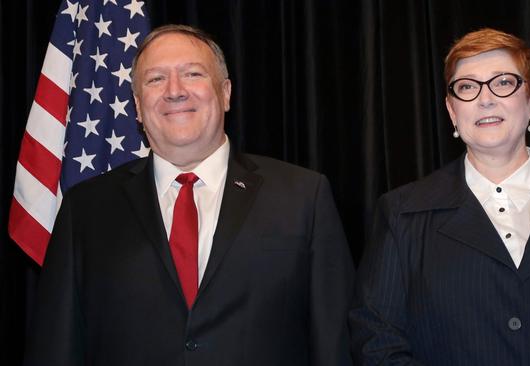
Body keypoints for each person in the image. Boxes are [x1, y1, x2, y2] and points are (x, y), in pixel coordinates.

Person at [23, 24, 354, 366]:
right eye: (155, 79)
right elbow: (55, 349)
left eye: (192, 74)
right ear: (137, 106)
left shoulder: (302, 197)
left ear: (225, 93)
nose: (175, 91)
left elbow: (335, 345)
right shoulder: (87, 209)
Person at [350, 28, 530, 365]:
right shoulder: (401, 213)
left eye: (503, 82)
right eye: (467, 87)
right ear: (452, 111)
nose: (485, 99)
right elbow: (376, 339)